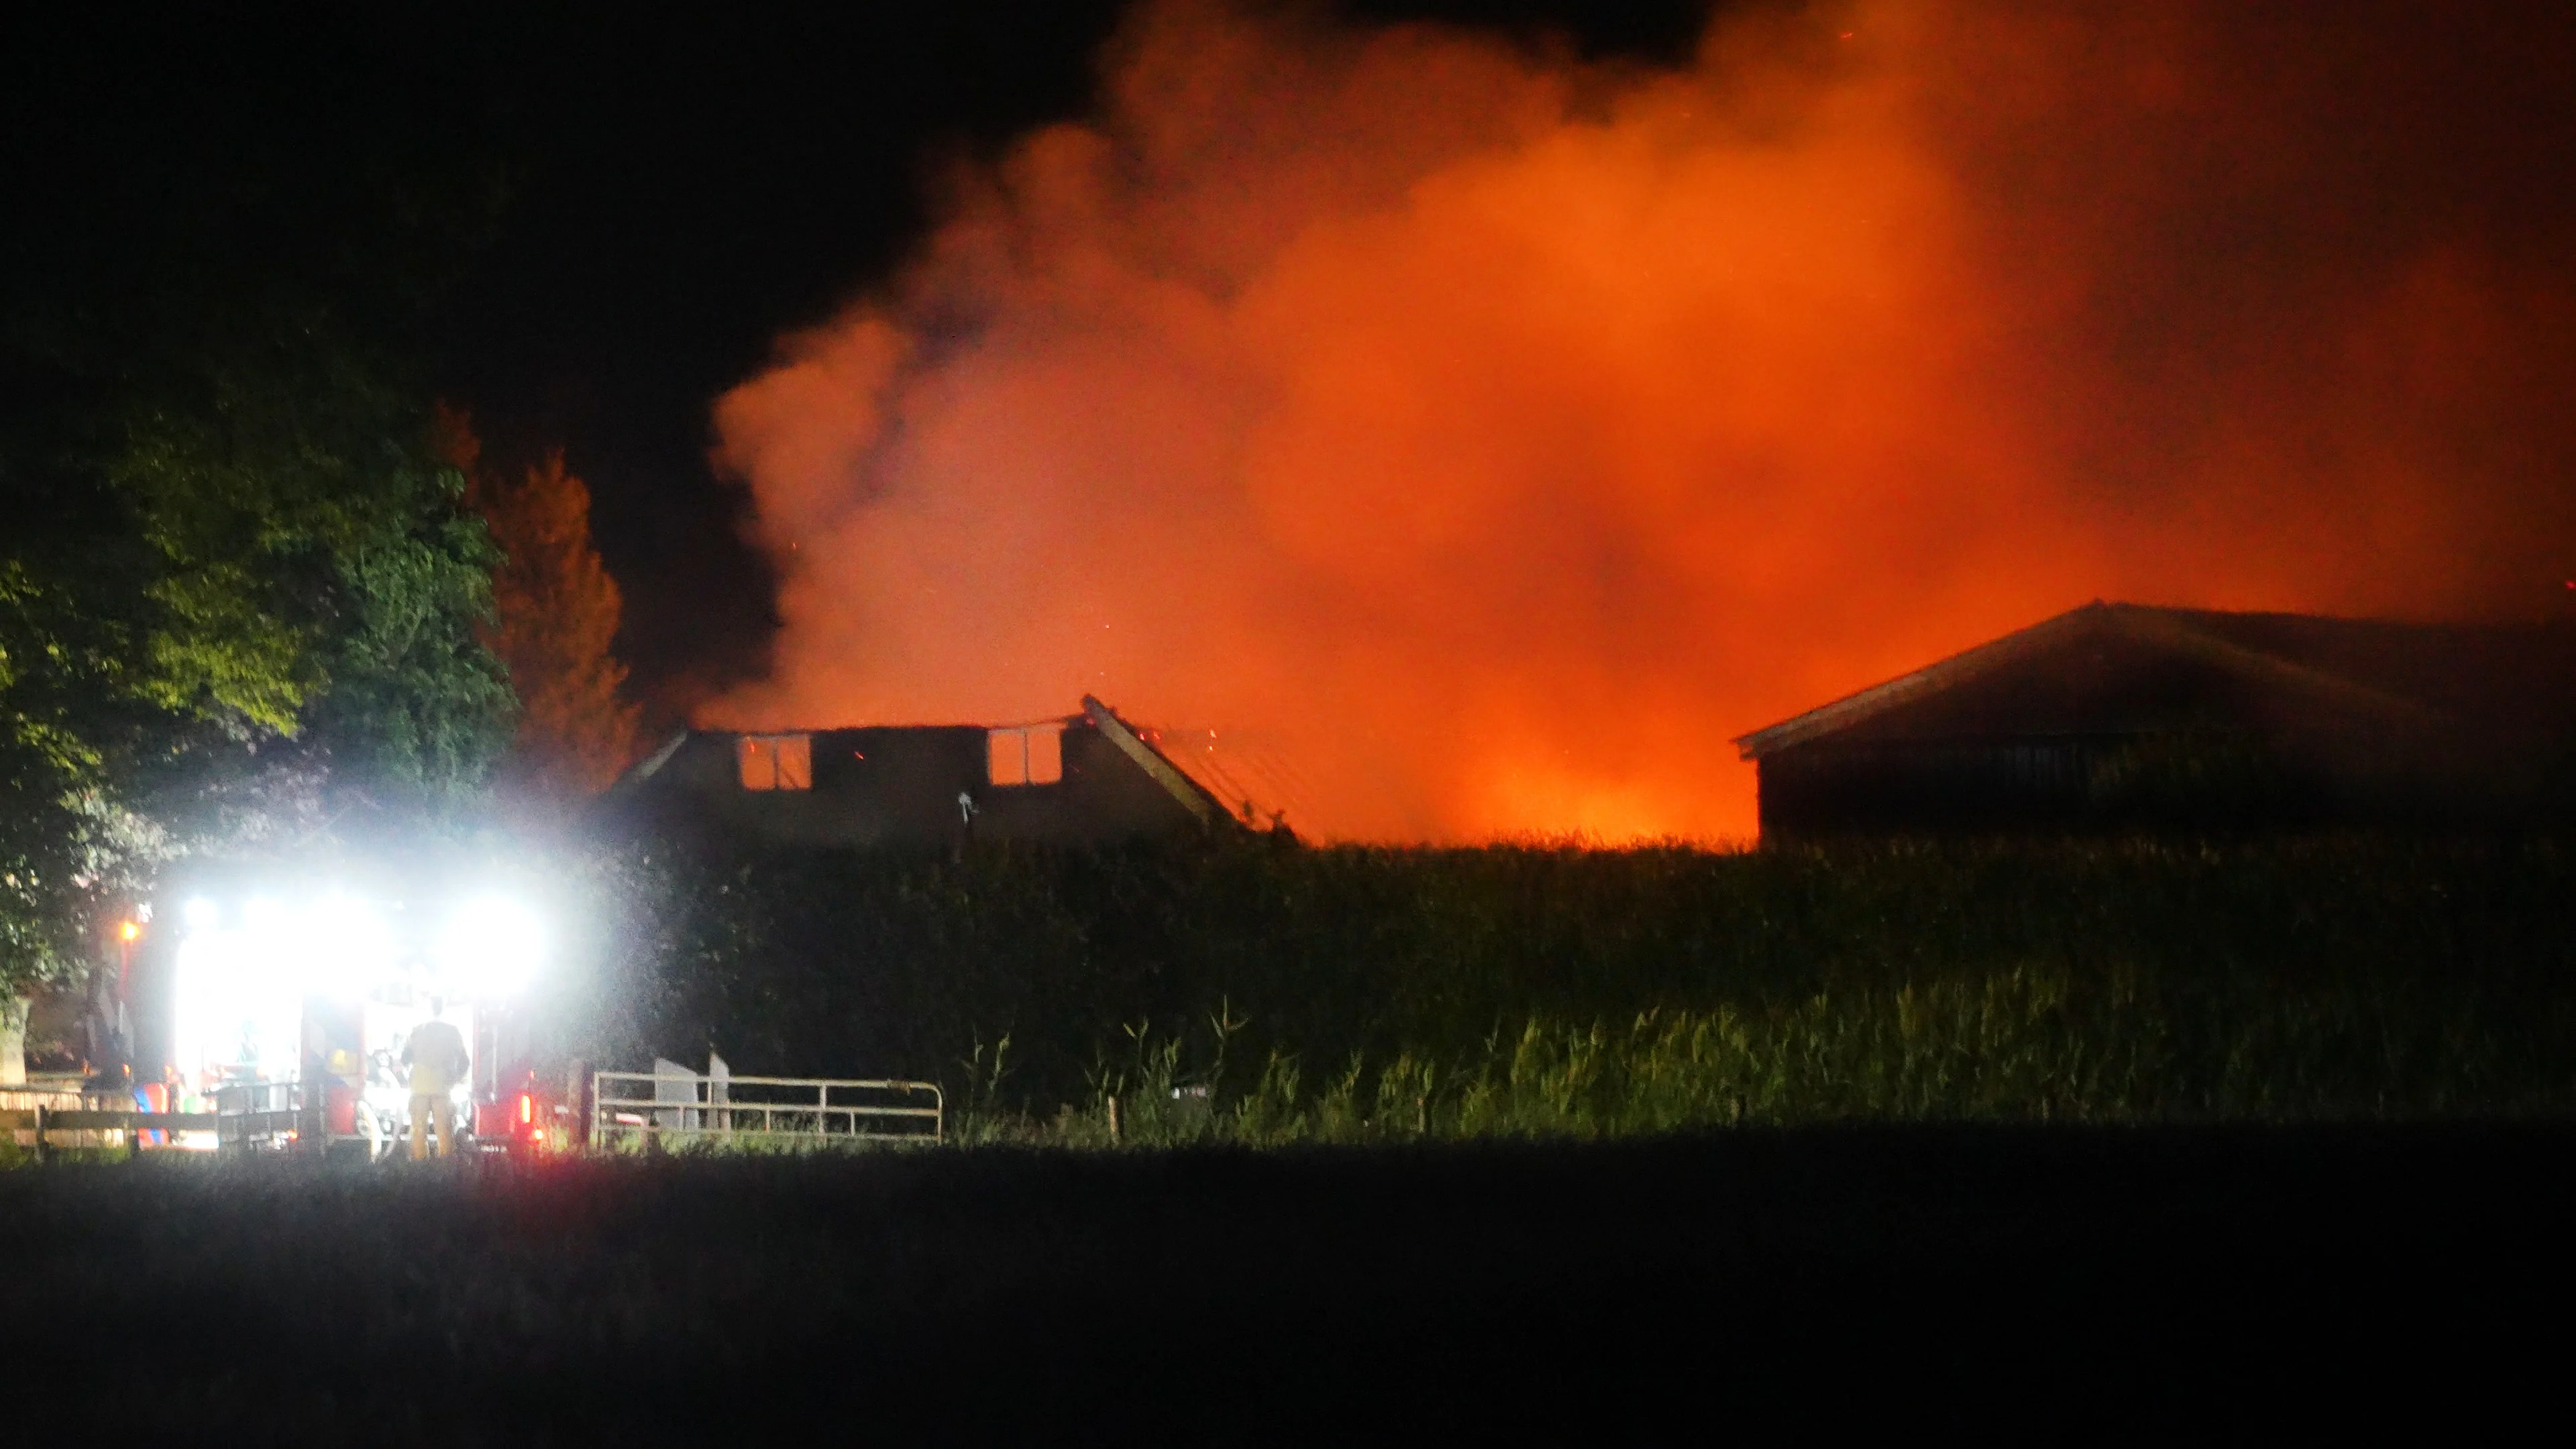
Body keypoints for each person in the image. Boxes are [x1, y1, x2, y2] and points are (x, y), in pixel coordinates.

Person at [400, 1003, 470, 1161]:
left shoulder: (417, 1030)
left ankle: (420, 1168)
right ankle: (445, 1169)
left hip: (419, 1087)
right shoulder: (453, 1032)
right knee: (444, 1131)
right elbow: (464, 1061)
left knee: (418, 1131)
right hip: (442, 1087)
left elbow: (405, 1057)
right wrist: (456, 1079)